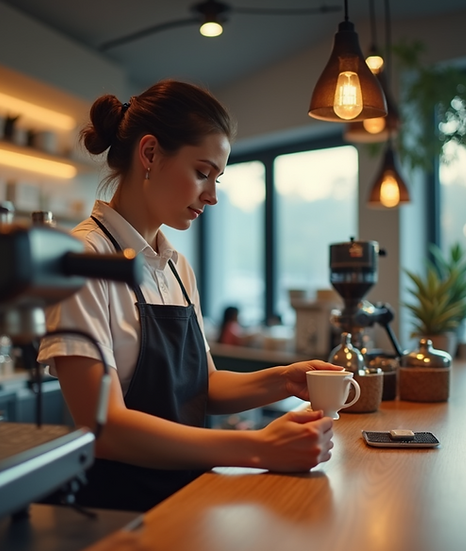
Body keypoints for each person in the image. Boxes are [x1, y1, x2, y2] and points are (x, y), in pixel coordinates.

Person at [36, 80, 341, 512]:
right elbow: (103, 427)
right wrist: (257, 448)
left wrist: (285, 380)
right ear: (150, 154)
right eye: (202, 172)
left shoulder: (176, 267)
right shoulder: (82, 260)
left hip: (190, 498)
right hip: (121, 513)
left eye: (217, 178)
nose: (212, 196)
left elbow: (204, 385)